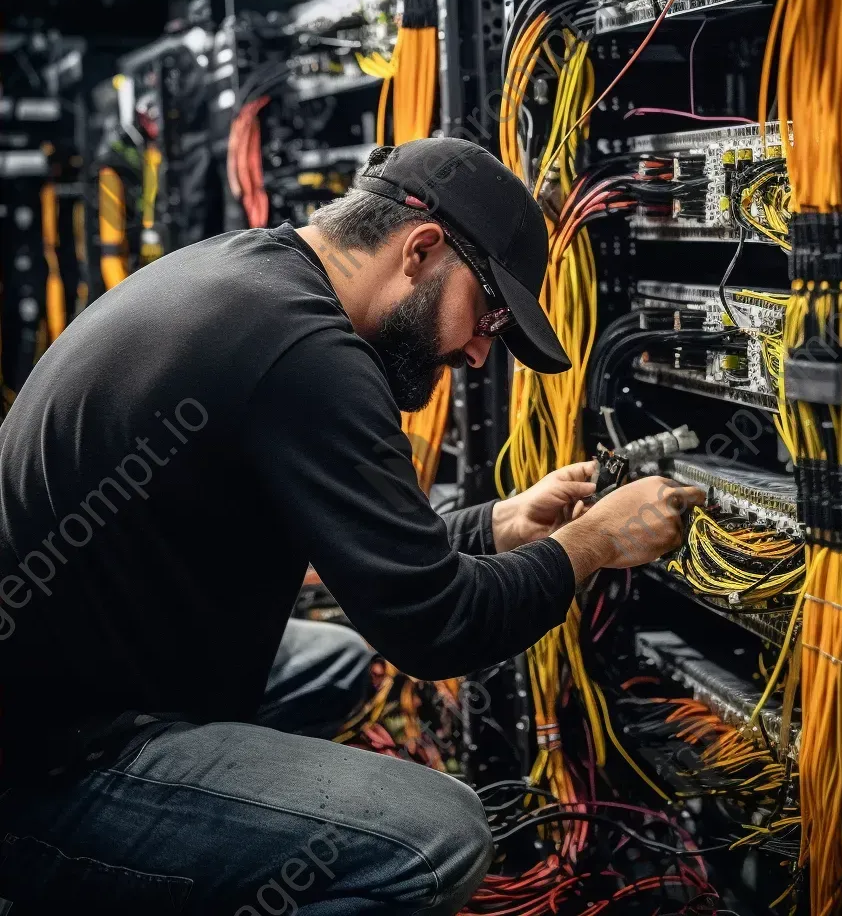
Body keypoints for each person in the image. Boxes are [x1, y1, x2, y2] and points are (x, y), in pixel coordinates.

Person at [0, 138, 700, 914]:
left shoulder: (254, 279)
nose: (476, 353)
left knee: (334, 662)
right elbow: (437, 628)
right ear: (421, 249)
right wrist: (594, 543)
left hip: (66, 682)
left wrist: (499, 523)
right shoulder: (310, 355)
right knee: (441, 835)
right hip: (50, 772)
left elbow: (366, 551)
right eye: (488, 313)